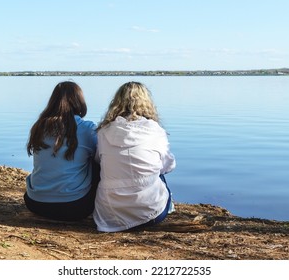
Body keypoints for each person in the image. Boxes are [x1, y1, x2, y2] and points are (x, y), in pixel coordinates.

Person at [93, 81, 176, 232]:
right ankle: (162, 205)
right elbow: (168, 166)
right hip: (150, 213)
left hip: (110, 213)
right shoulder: (155, 131)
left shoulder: (104, 132)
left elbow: (98, 160)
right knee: (160, 174)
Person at [24, 81, 99, 221]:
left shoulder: (39, 126)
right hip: (75, 207)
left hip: (35, 202)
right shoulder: (87, 128)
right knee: (99, 160)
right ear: (79, 101)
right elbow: (101, 158)